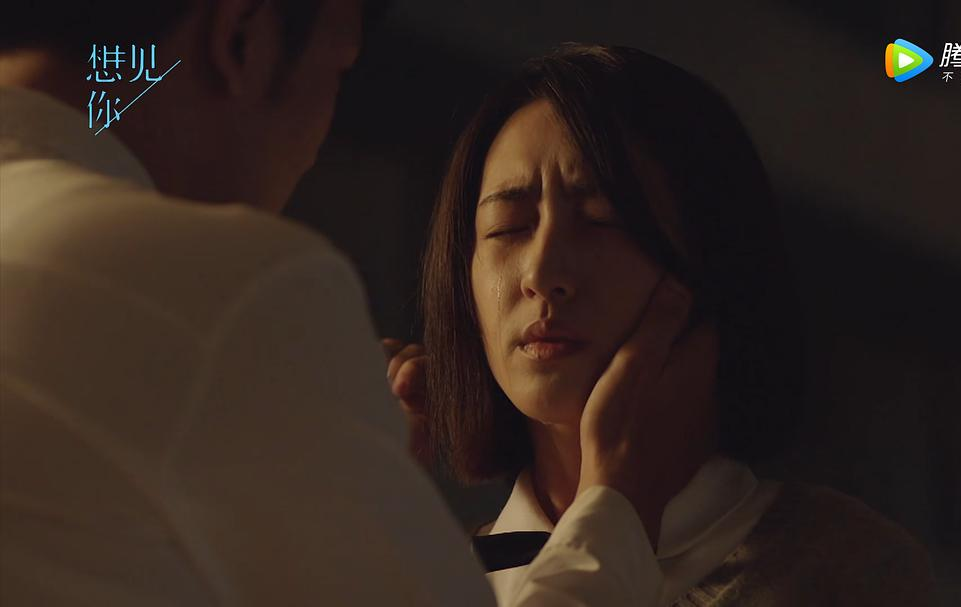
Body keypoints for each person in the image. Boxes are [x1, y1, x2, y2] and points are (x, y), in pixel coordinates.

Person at [2, 4, 681, 605]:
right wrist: (616, 511)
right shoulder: (225, 284)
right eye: (337, 71)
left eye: (603, 219)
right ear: (244, 36)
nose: (542, 273)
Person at [386, 43, 937, 606]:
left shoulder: (843, 567)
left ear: (714, 260)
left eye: (602, 218)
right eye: (507, 226)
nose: (542, 273)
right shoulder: (421, 578)